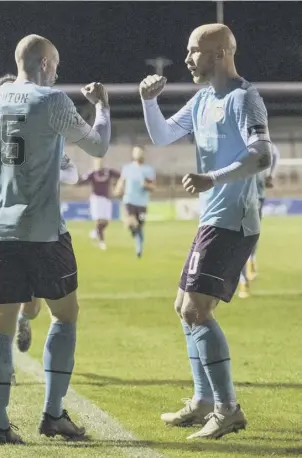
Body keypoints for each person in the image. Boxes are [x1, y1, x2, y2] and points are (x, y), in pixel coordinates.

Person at [0, 34, 110, 444]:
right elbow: (98, 144)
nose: (58, 72)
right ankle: (53, 415)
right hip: (44, 230)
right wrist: (101, 106)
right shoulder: (53, 101)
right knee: (64, 316)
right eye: (57, 64)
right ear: (46, 63)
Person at [140, 23, 272, 439]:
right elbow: (161, 135)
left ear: (220, 53)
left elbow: (262, 156)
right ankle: (201, 400)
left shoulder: (244, 98)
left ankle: (227, 408)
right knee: (184, 307)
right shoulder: (202, 100)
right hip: (212, 218)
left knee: (196, 310)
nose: (187, 58)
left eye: (194, 50)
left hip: (233, 219)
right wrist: (149, 102)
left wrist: (213, 178)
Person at [0, 73, 79, 368]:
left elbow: (73, 174)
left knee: (31, 306)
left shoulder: (47, 137)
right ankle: (5, 365)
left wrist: (48, 172)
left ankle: (25, 323)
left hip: (37, 226)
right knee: (2, 312)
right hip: (6, 229)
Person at [238, 142, 280, 298]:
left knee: (251, 236)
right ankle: (243, 280)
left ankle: (252, 259)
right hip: (239, 198)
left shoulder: (263, 143)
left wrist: (271, 175)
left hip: (258, 197)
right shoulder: (237, 142)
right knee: (240, 238)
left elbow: (276, 153)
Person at [114, 146, 156, 258]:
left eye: (140, 152)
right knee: (131, 222)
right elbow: (122, 180)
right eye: (136, 152)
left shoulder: (148, 170)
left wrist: (146, 185)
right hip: (129, 200)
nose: (138, 154)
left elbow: (153, 187)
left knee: (139, 227)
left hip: (142, 203)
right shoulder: (127, 168)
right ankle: (132, 228)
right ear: (133, 154)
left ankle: (139, 249)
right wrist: (118, 188)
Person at [78, 158, 120, 250]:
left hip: (106, 199)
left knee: (107, 221)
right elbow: (80, 182)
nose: (99, 163)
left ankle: (96, 232)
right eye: (97, 162)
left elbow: (121, 176)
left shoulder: (108, 172)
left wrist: (118, 187)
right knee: (98, 220)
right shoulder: (92, 173)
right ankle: (102, 242)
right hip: (96, 199)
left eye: (100, 161)